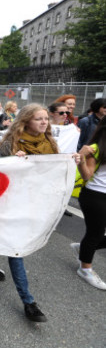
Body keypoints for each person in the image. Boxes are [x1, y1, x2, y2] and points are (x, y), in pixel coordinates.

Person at [0, 104, 69, 323]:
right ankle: (29, 302)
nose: (44, 122)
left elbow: (53, 172)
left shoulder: (49, 143)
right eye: (38, 119)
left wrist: (70, 162)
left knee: (9, 241)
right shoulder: (11, 143)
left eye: (46, 118)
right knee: (16, 248)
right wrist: (12, 162)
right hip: (10, 203)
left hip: (34, 203)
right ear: (26, 120)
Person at [75, 116, 106, 290]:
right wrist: (81, 157)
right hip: (95, 196)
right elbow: (87, 175)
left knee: (92, 238)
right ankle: (85, 268)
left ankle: (84, 247)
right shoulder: (96, 148)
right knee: (95, 233)